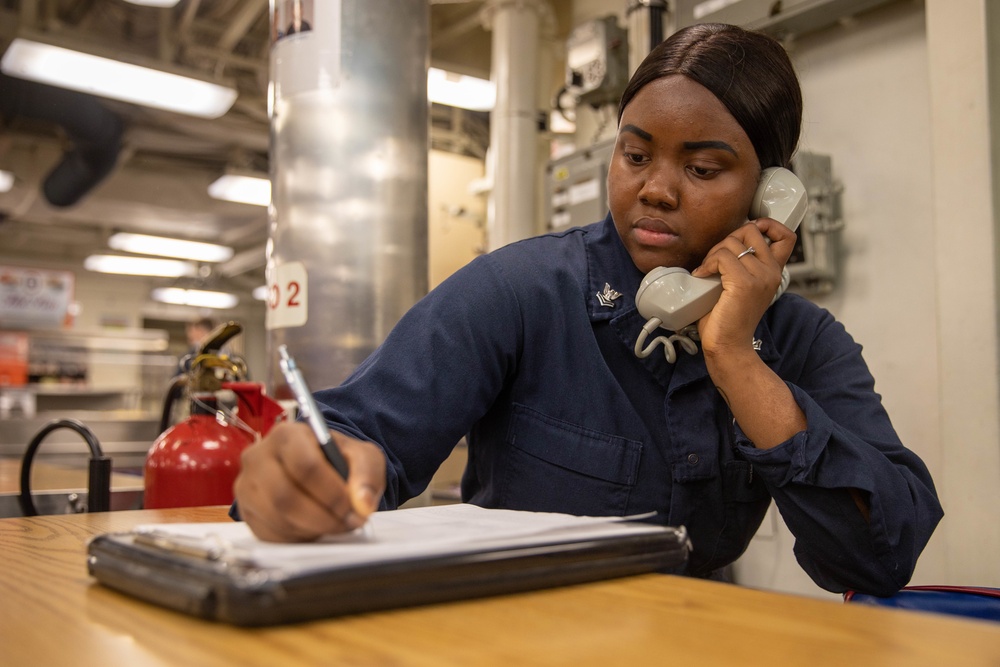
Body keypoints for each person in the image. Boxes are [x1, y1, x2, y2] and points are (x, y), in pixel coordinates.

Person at [234, 23, 942, 596]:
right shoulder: (521, 289)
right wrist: (317, 469)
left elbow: (880, 555)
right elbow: (360, 435)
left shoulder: (802, 342)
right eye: (635, 155)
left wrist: (735, 357)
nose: (656, 190)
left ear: (770, 195)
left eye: (701, 170)